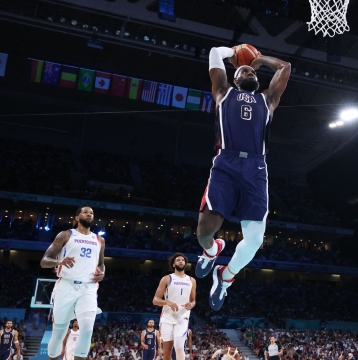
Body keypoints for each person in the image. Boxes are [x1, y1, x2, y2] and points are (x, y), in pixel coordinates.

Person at [195, 43, 291, 310]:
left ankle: (225, 276)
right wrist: (234, 51)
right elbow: (214, 52)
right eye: (244, 70)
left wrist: (260, 58)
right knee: (204, 233)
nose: (250, 72)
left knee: (255, 241)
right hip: (226, 164)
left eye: (253, 71)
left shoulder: (267, 100)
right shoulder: (223, 92)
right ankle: (212, 251)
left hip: (256, 170)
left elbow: (286, 67)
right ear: (234, 77)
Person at [40, 206, 105, 360]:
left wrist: (102, 273)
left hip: (88, 287)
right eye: (86, 212)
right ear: (77, 217)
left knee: (87, 330)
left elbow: (101, 263)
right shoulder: (65, 235)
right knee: (59, 333)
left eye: (92, 213)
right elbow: (44, 261)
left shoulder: (99, 240)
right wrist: (60, 261)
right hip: (66, 285)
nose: (89, 215)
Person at [152, 253, 196, 360]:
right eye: (178, 260)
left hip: (182, 317)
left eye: (183, 260)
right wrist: (167, 302)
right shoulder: (167, 279)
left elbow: (193, 300)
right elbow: (155, 300)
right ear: (173, 264)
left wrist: (191, 304)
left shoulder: (191, 280)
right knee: (167, 351)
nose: (181, 261)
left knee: (179, 346)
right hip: (167, 318)